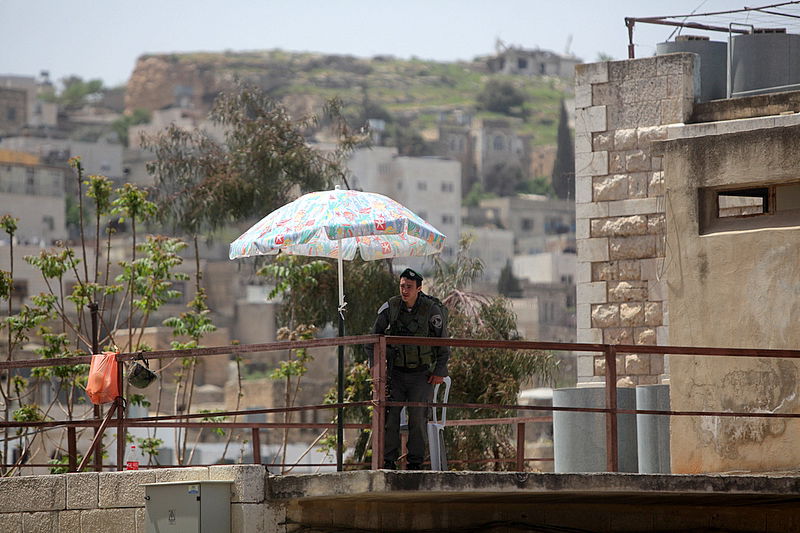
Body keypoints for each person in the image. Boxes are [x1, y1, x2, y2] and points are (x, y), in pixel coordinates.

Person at [367, 267, 449, 470]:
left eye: (409, 287)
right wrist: (374, 367)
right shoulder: (391, 307)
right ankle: (388, 462)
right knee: (391, 418)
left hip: (421, 375)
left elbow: (443, 343)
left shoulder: (431, 310)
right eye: (402, 286)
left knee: (418, 419)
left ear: (419, 288)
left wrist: (439, 371)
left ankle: (415, 464)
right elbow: (371, 340)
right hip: (395, 374)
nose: (405, 290)